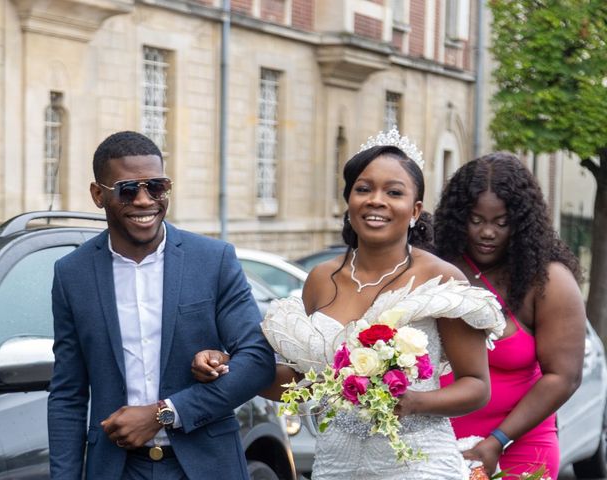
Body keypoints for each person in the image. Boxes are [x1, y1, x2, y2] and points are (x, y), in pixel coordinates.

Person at [192, 128, 506, 479]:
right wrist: (228, 368)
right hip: (335, 463)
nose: (376, 200)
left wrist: (415, 402)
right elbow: (303, 380)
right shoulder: (321, 279)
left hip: (418, 462)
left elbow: (477, 386)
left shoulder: (441, 279)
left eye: (394, 192)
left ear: (415, 209)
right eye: (363, 189)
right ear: (349, 201)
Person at [47, 131, 276, 480]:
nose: (144, 200)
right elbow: (68, 394)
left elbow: (257, 362)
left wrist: (164, 413)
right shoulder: (71, 274)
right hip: (116, 468)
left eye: (156, 187)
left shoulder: (213, 260)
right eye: (127, 189)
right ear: (98, 194)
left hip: (207, 466)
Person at [436, 152, 586, 479]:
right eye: (476, 220)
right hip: (433, 446)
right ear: (458, 217)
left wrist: (497, 441)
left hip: (520, 444)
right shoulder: (436, 267)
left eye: (501, 222)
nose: (487, 232)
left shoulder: (547, 280)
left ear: (521, 222)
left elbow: (564, 376)